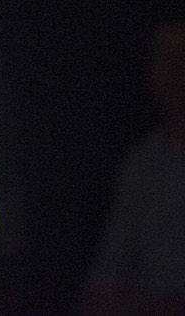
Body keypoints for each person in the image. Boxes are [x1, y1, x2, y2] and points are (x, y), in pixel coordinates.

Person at [79, 19, 185, 315]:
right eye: (165, 62)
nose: (175, 75)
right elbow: (108, 274)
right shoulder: (143, 162)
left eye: (181, 61)